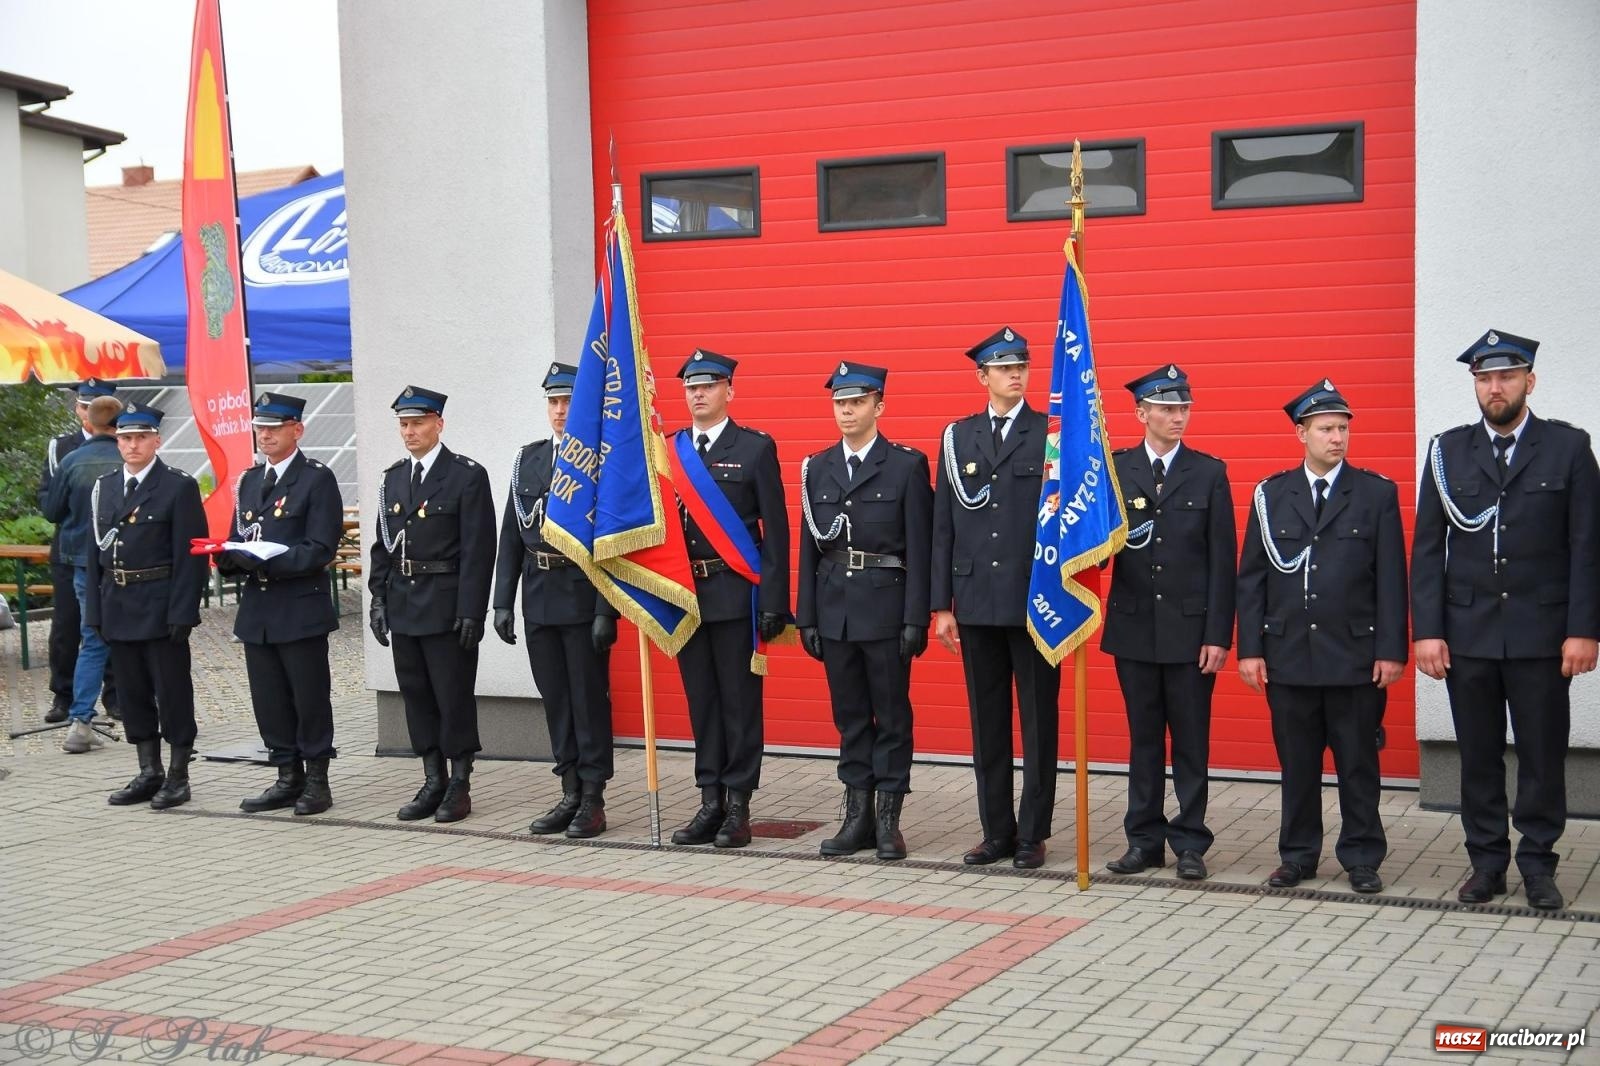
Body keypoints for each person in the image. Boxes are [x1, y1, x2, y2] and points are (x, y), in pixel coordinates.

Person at [1412, 331, 1599, 911]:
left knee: (1543, 754)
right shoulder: (1448, 452)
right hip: (1467, 635)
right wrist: (1427, 630)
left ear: (1529, 382)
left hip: (1544, 636)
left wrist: (1584, 628)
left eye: (1507, 376)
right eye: (1484, 379)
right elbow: (1426, 548)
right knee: (1478, 754)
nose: (1495, 388)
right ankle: (1486, 863)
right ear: (1475, 386)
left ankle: (1539, 864)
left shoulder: (1568, 449)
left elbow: (1587, 545)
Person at [1237, 380, 1406, 894]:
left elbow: (1391, 578)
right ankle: (1298, 855)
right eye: (1327, 429)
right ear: (1301, 433)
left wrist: (1391, 649)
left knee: (1358, 762)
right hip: (1289, 653)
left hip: (1354, 654)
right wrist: (1250, 649)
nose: (1338, 438)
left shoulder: (1376, 492)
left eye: (1343, 429)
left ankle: (1361, 857)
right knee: (1298, 764)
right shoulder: (1270, 495)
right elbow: (1252, 577)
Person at [930, 327, 1060, 870]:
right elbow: (943, 528)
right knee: (988, 724)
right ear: (982, 376)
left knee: (1038, 721)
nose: (1015, 374)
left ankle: (1032, 833)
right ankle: (995, 831)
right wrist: (941, 606)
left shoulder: (1051, 432)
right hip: (977, 600)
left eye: (1021, 365)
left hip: (1035, 600)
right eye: (1003, 367)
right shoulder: (957, 437)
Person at [1102, 365, 1235, 881]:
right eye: (1167, 407)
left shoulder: (1208, 472)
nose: (1178, 416)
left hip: (1189, 631)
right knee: (1142, 740)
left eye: (1184, 407)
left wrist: (1217, 634)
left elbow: (1223, 561)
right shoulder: (1116, 469)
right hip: (1134, 627)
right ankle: (1143, 840)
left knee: (1190, 741)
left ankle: (1190, 841)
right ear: (1142, 413)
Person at [796, 362, 931, 861]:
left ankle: (890, 823)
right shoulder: (818, 466)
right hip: (835, 611)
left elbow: (921, 544)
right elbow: (810, 549)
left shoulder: (905, 465)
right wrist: (805, 616)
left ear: (880, 406)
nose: (847, 410)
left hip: (886, 608)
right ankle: (857, 818)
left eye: (856, 401)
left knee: (892, 715)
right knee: (851, 717)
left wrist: (917, 616)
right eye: (839, 402)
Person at [667, 349, 790, 849]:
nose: (698, 393)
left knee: (739, 703)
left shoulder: (755, 448)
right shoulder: (668, 450)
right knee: (703, 703)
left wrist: (775, 603)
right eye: (692, 387)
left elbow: (776, 533)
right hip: (687, 595)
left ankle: (738, 804)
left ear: (728, 391)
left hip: (735, 593)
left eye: (709, 385)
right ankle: (709, 800)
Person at [493, 362, 619, 839]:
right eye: (553, 402)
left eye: (568, 401)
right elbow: (511, 536)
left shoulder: (600, 461)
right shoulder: (528, 458)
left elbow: (611, 539)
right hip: (538, 596)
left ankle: (593, 798)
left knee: (588, 701)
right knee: (556, 700)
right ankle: (568, 788)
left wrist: (607, 610)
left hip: (583, 596)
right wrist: (502, 602)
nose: (561, 410)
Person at [369, 386, 496, 824]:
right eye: (403, 424)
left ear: (438, 424)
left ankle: (459, 782)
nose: (409, 432)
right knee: (416, 695)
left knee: (452, 694)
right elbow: (383, 545)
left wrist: (472, 610)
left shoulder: (465, 475)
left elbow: (480, 550)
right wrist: (378, 598)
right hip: (405, 603)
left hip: (446, 605)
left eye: (418, 422)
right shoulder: (392, 478)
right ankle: (432, 777)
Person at [217, 393, 345, 817]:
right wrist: (229, 556)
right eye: (260, 427)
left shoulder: (316, 479)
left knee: (308, 698)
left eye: (274, 427)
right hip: (260, 609)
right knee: (269, 699)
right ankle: (285, 775)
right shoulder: (251, 480)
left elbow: (320, 547)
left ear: (297, 429)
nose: (265, 434)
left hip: (299, 606)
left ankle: (317, 780)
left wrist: (266, 559)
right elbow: (242, 533)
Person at [85, 403, 208, 808]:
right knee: (131, 693)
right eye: (125, 437)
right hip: (118, 602)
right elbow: (93, 557)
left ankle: (178, 775)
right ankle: (148, 770)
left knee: (171, 693)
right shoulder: (103, 486)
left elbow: (190, 556)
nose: (132, 445)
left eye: (140, 437)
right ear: (116, 440)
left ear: (157, 440)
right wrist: (94, 612)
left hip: (159, 602)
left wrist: (182, 611)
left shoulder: (177, 486)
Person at [41, 394, 124, 754]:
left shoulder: (72, 459)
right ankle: (145, 712)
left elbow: (51, 511)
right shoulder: (132, 457)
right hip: (127, 562)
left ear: (88, 422)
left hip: (79, 561)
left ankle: (80, 720)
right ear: (119, 424)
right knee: (136, 637)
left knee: (92, 638)